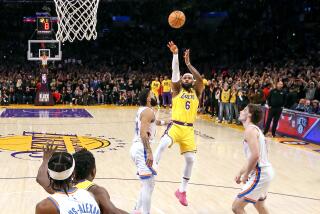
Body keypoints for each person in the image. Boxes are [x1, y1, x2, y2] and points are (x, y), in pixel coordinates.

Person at [153, 41, 204, 206]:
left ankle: (182, 190)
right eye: (185, 77)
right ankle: (152, 167)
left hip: (189, 130)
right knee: (162, 145)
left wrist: (188, 64)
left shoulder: (197, 90)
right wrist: (175, 55)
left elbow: (200, 79)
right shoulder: (176, 90)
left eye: (190, 77)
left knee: (190, 160)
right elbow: (175, 71)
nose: (188, 78)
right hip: (176, 126)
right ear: (182, 81)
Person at [36, 144, 128, 214]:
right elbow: (112, 211)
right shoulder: (94, 194)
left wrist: (46, 159)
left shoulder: (55, 192)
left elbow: (41, 178)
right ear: (93, 171)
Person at [130, 88, 167, 214]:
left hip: (137, 148)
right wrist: (149, 152)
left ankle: (137, 210)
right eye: (152, 94)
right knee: (148, 185)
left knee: (148, 184)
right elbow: (143, 133)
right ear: (147, 98)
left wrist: (166, 122)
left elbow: (153, 122)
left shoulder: (144, 110)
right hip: (142, 148)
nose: (154, 95)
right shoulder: (148, 111)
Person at [232, 104, 274, 214]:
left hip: (260, 173)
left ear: (249, 114)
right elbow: (252, 157)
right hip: (265, 171)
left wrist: (246, 175)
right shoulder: (256, 130)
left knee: (237, 207)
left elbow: (255, 156)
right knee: (259, 205)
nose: (241, 110)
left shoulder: (250, 130)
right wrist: (241, 172)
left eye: (244, 109)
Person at [35, 151, 101, 214]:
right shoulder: (92, 196)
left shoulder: (45, 206)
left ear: (48, 174)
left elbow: (40, 178)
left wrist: (45, 160)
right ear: (74, 173)